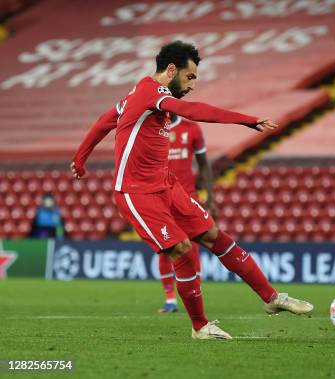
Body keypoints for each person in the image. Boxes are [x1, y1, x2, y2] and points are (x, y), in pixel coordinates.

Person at [70, 40, 313, 339]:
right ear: (171, 70)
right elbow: (190, 109)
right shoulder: (152, 92)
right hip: (136, 192)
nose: (193, 84)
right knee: (183, 251)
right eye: (190, 77)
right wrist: (246, 120)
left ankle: (271, 297)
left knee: (214, 235)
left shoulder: (135, 95)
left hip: (166, 185)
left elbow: (104, 122)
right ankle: (200, 327)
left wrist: (80, 160)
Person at [158, 114, 216, 313]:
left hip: (188, 196)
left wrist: (210, 198)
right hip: (161, 197)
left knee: (192, 246)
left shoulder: (192, 129)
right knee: (166, 247)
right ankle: (170, 300)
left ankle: (194, 296)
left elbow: (204, 164)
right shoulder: (152, 127)